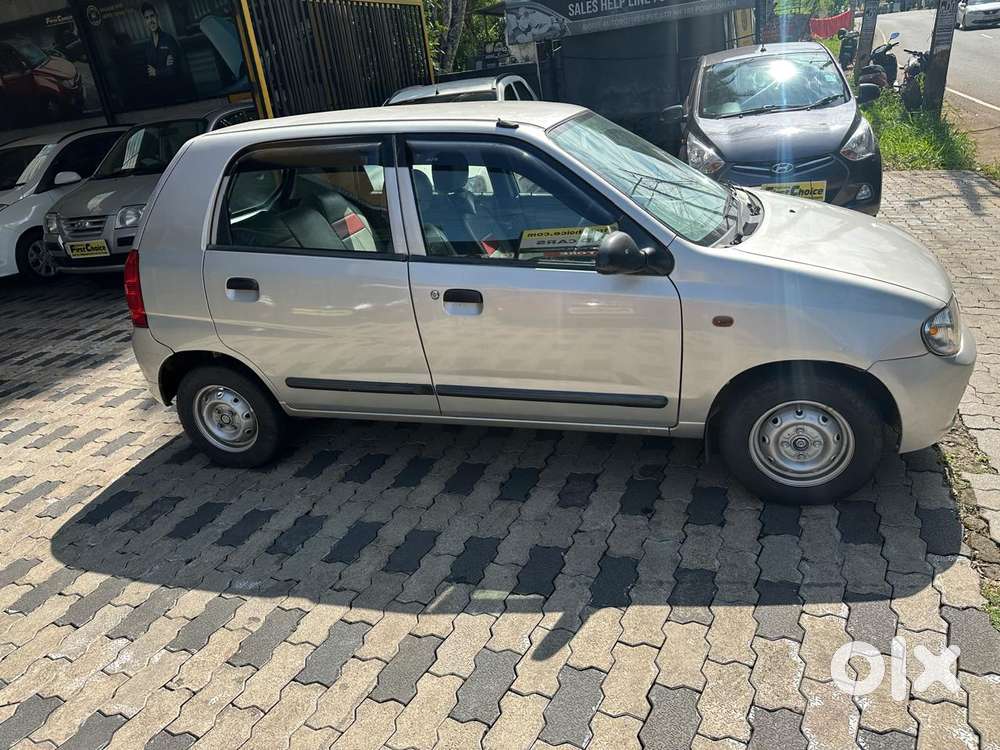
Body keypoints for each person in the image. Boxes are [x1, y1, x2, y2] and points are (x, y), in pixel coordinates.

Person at [141, 3, 186, 100]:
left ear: (157, 17)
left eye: (152, 16)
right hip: (159, 95)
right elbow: (149, 73)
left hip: (175, 93)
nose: (150, 21)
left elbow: (173, 70)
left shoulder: (169, 40)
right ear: (145, 21)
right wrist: (164, 69)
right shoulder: (148, 46)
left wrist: (156, 72)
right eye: (147, 18)